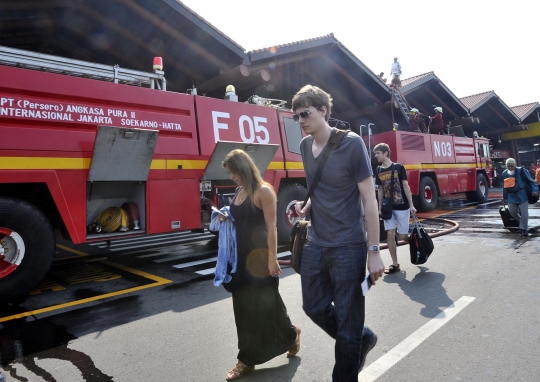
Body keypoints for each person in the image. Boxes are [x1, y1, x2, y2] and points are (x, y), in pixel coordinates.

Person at [292, 85, 385, 381]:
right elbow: (318, 188)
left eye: (305, 113)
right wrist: (306, 206)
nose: (300, 120)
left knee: (348, 322)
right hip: (316, 243)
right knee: (313, 306)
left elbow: (369, 201)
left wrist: (374, 251)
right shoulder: (306, 146)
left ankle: (349, 354)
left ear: (322, 110)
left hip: (349, 246)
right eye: (296, 116)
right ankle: (361, 337)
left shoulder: (352, 144)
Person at [220, 149, 299, 381]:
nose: (231, 177)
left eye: (232, 172)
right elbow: (240, 220)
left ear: (242, 168)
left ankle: (286, 338)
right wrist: (226, 217)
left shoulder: (263, 191)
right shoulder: (239, 191)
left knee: (269, 306)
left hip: (261, 256)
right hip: (241, 259)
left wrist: (272, 258)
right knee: (243, 309)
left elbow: (272, 226)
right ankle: (248, 358)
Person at [374, 143, 417, 274]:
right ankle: (395, 263)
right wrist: (379, 207)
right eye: (375, 154)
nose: (376, 156)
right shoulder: (378, 170)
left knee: (403, 236)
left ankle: (415, 243)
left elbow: (405, 186)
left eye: (378, 153)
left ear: (386, 153)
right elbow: (380, 189)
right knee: (390, 233)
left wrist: (411, 205)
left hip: (402, 206)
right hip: (388, 209)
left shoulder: (399, 167)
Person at [502, 158, 539, 237]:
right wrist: (504, 196)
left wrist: (535, 190)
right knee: (512, 211)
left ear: (515, 165)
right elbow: (504, 186)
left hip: (523, 195)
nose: (510, 168)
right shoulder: (504, 173)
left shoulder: (522, 171)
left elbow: (531, 181)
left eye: (512, 166)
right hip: (511, 196)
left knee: (524, 213)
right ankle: (522, 222)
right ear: (506, 166)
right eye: (508, 166)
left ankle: (524, 229)